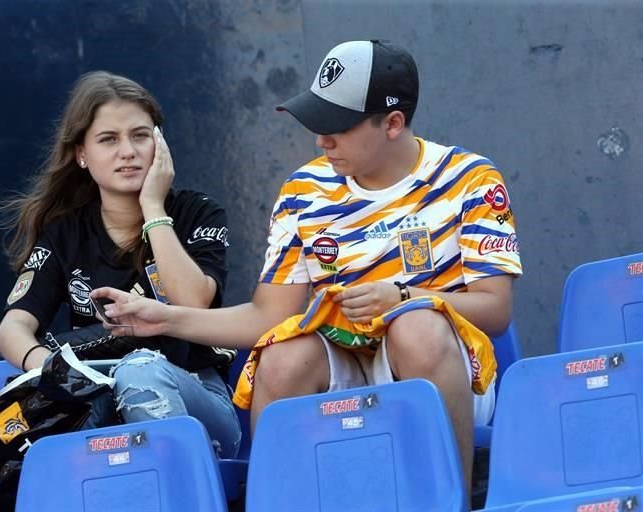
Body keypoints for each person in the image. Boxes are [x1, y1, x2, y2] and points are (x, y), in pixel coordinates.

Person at [91, 40, 522, 492]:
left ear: (393, 123)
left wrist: (403, 298)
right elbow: (268, 317)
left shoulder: (470, 178)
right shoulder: (303, 190)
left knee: (414, 327)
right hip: (345, 362)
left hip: (450, 367)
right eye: (317, 122)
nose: (321, 141)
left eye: (338, 126)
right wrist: (166, 320)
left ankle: (448, 497)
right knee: (282, 356)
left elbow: (495, 311)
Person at [0, 71, 240, 458]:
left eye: (140, 135)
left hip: (199, 404)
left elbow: (192, 301)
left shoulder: (198, 211)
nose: (128, 151)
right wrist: (50, 367)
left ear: (160, 142)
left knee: (140, 370)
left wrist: (154, 209)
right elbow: (13, 328)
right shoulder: (65, 234)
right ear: (82, 154)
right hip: (98, 404)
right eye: (109, 139)